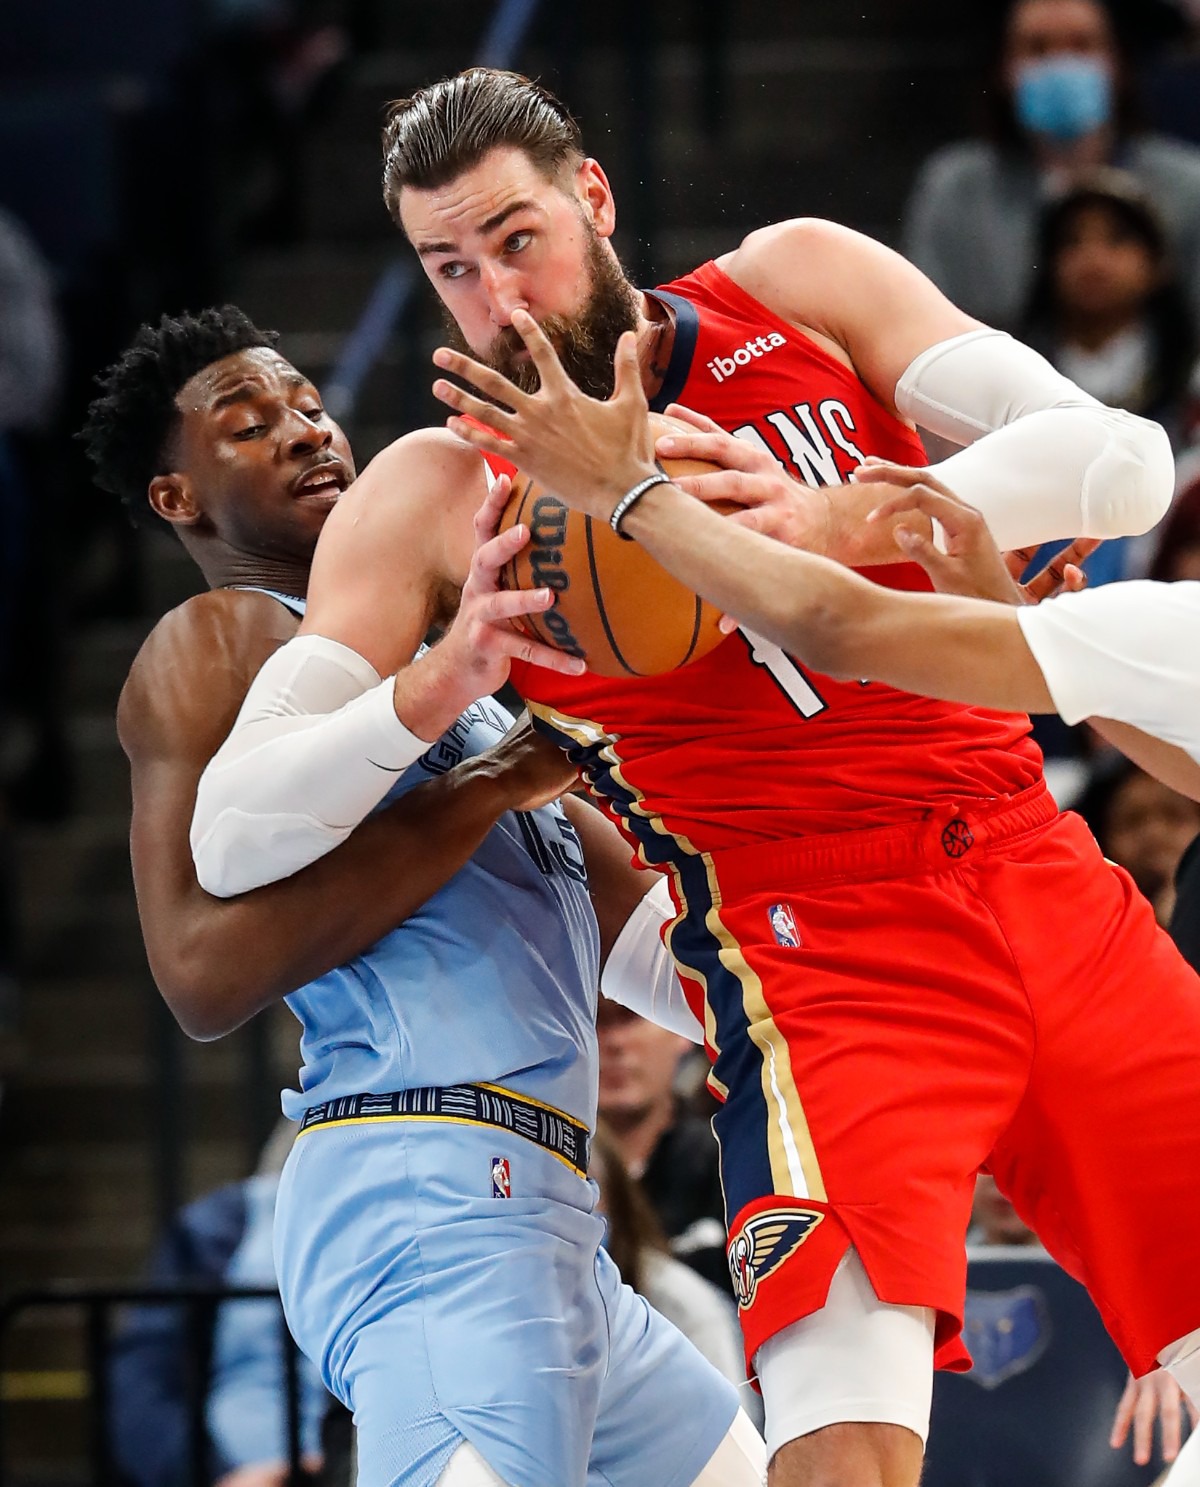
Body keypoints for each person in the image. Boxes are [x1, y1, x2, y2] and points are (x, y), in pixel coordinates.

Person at [337, 66, 1200, 1487]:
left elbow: (1116, 458)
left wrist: (843, 510)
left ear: (594, 198)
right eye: (451, 267)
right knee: (843, 1443)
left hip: (1032, 855)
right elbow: (250, 821)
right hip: (816, 944)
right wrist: (435, 689)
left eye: (517, 238)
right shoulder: (440, 492)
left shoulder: (793, 279)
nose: (498, 294)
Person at [83, 306, 763, 1487]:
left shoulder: (470, 668)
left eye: (307, 404)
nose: (304, 432)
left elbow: (656, 937)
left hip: (552, 1212)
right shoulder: (223, 638)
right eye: (248, 428)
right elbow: (200, 974)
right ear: (177, 499)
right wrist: (482, 788)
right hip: (423, 1181)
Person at [902, 0, 1200, 330]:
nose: (1060, 63)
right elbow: (923, 328)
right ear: (1003, 69)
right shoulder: (957, 189)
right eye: (1037, 48)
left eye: (1082, 45)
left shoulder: (1187, 186)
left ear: (1118, 62)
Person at [596, 997, 729, 1292]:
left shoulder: (727, 1167)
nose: (615, 1042)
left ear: (681, 1030)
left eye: (633, 1016)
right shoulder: (547, 1175)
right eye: (595, 1020)